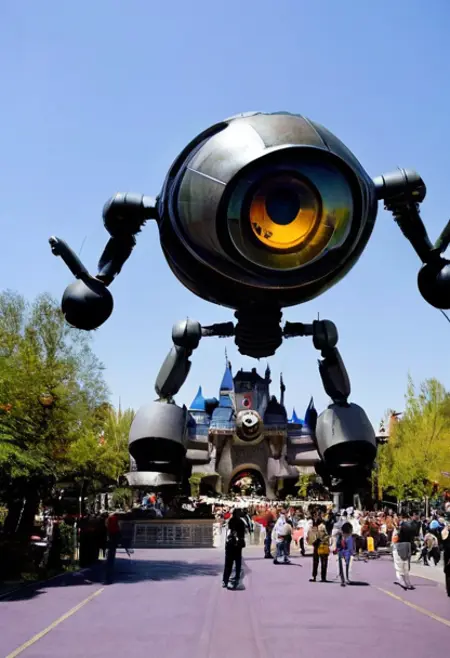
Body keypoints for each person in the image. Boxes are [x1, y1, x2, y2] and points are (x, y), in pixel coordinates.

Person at [222, 508, 246, 590]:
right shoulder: (240, 522)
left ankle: (225, 581)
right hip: (236, 546)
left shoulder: (230, 521)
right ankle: (235, 581)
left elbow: (228, 533)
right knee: (237, 564)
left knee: (228, 564)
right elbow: (240, 535)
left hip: (229, 545)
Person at [392, 525, 414, 591]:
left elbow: (393, 543)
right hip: (406, 553)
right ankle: (408, 583)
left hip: (398, 552)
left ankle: (401, 581)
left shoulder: (397, 536)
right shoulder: (409, 540)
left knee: (398, 569)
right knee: (406, 569)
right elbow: (410, 552)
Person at [335, 522, 354, 587]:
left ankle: (346, 579)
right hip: (341, 553)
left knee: (347, 567)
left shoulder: (349, 537)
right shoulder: (340, 536)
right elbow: (338, 544)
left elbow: (350, 547)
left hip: (346, 554)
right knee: (342, 567)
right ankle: (343, 580)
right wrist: (338, 550)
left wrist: (350, 553)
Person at [442, 524, 450, 597]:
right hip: (447, 555)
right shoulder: (445, 534)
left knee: (447, 573)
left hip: (447, 555)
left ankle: (448, 590)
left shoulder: (444, 533)